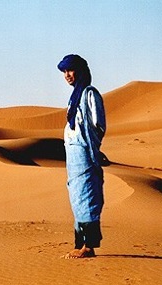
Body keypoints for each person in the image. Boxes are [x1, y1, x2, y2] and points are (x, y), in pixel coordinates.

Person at [57, 54, 106, 259]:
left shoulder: (89, 94)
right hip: (74, 156)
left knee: (87, 197)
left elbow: (98, 125)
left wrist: (89, 146)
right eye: (64, 72)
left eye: (70, 70)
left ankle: (89, 246)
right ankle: (80, 243)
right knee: (77, 198)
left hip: (85, 153)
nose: (67, 75)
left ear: (80, 70)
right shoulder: (74, 97)